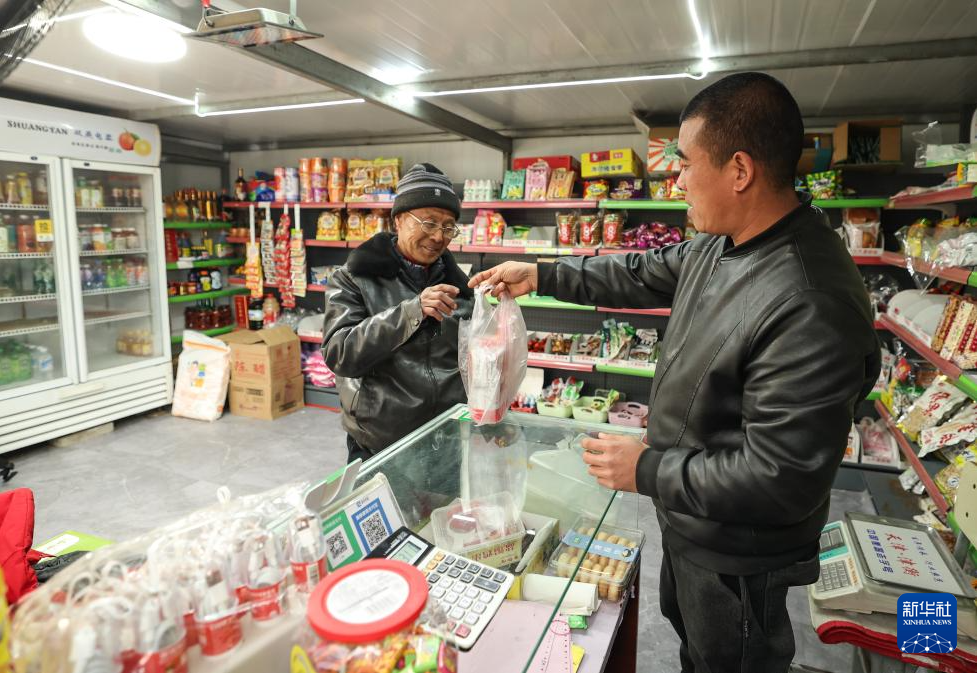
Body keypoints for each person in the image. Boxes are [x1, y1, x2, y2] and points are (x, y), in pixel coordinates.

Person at [470, 72, 881, 673]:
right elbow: (637, 271)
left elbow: (781, 478)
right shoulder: (723, 241)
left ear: (739, 170)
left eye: (685, 163)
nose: (677, 179)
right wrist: (544, 274)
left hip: (738, 554)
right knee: (694, 648)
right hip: (692, 517)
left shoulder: (809, 299)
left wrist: (648, 468)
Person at [322, 163, 471, 464]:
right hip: (380, 442)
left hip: (446, 438)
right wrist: (410, 312)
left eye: (448, 227)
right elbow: (340, 353)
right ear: (399, 220)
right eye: (428, 222)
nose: (438, 236)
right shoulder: (355, 277)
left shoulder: (461, 288)